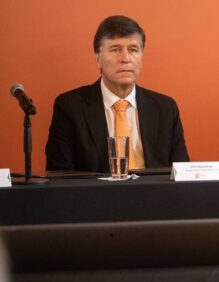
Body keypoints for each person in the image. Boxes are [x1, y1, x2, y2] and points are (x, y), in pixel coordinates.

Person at [46, 15, 189, 172]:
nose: (125, 59)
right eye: (115, 50)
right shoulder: (70, 107)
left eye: (133, 50)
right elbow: (60, 174)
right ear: (98, 58)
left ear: (141, 57)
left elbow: (182, 173)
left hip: (152, 188)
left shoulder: (165, 108)